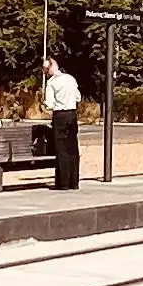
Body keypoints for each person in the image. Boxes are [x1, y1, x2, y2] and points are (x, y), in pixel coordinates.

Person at [41, 51, 84, 189]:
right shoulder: (70, 78)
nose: (44, 72)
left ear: (50, 69)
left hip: (60, 115)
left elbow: (49, 103)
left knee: (61, 149)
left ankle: (63, 182)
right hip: (72, 114)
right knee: (72, 147)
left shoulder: (52, 83)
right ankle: (74, 181)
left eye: (45, 69)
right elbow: (78, 97)